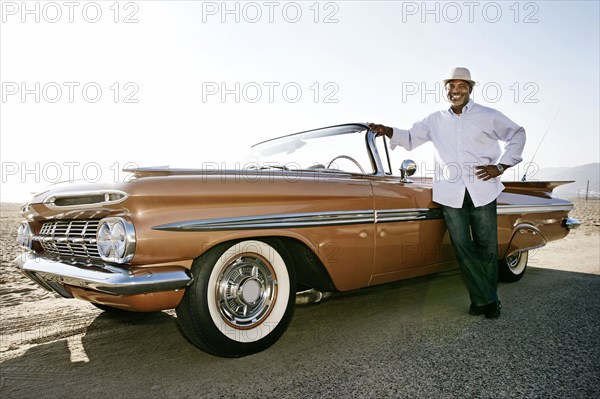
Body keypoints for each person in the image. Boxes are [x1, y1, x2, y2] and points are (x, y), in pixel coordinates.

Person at [370, 67, 526, 319]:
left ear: (470, 89)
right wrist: (386, 130)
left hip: (482, 189)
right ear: (446, 90)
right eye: (451, 86)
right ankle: (486, 300)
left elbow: (517, 134)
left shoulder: (488, 115)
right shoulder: (435, 119)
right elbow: (410, 138)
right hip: (450, 193)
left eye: (462, 86)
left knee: (486, 246)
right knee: (463, 247)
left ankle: (484, 301)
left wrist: (501, 166)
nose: (456, 90)